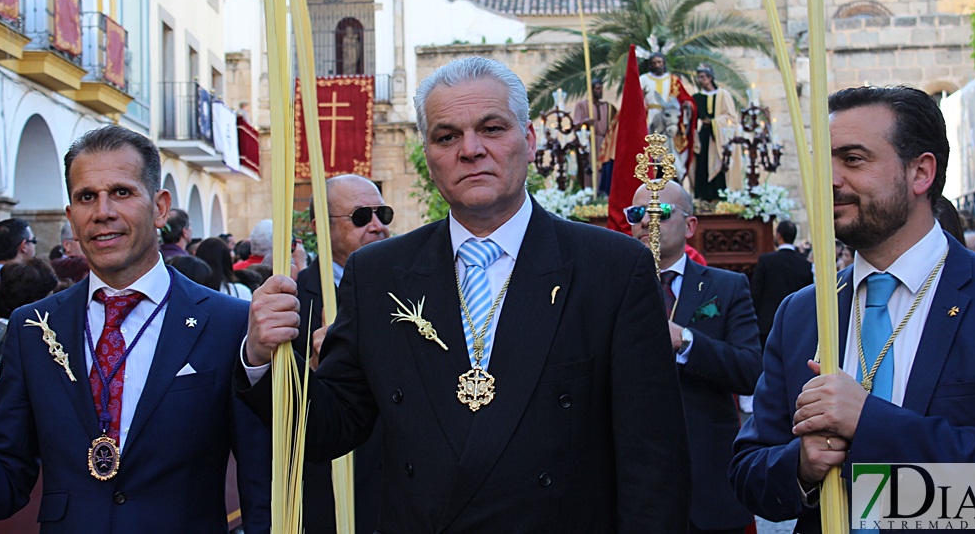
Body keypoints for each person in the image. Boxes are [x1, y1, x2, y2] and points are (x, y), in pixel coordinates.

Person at [239, 56, 690, 531]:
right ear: (429, 156)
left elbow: (653, 459)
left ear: (530, 140)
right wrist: (262, 358)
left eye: (492, 128)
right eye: (447, 136)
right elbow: (330, 427)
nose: (470, 150)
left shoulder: (613, 268)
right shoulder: (379, 273)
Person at [0, 125, 270, 531]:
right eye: (86, 197)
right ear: (71, 216)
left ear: (159, 207)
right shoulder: (34, 327)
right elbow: (4, 481)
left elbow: (263, 485)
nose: (103, 212)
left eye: (121, 192)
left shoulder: (227, 323)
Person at [730, 85, 975, 532]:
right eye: (823, 159)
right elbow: (749, 473)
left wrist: (871, 424)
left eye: (853, 159)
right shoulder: (802, 313)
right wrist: (802, 466)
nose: (829, 178)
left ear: (920, 172)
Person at [625, 180, 761, 534]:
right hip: (635, 481)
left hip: (708, 477)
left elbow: (749, 370)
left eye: (660, 212)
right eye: (637, 213)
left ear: (690, 225)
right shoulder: (615, 288)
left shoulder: (726, 287)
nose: (646, 222)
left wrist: (687, 341)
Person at [297, 174, 391, 534]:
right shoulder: (291, 300)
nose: (377, 226)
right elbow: (274, 406)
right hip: (329, 490)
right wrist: (315, 370)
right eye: (360, 216)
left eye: (382, 213)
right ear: (321, 227)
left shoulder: (409, 285)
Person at [750, 220, 815, 348]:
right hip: (796, 322)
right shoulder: (804, 265)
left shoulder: (766, 261)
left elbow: (756, 291)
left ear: (778, 236)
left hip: (767, 323)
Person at [639, 52, 697, 176]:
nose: (657, 65)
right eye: (654, 63)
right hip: (650, 116)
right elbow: (635, 98)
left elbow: (684, 98)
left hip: (670, 118)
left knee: (668, 149)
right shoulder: (643, 79)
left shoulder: (673, 80)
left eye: (659, 62)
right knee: (650, 148)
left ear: (664, 63)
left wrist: (687, 106)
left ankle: (670, 176)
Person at [692, 65, 741, 201]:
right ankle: (704, 198)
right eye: (699, 77)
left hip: (719, 137)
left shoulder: (723, 95)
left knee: (720, 165)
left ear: (710, 78)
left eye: (703, 77)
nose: (700, 80)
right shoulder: (696, 97)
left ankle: (719, 197)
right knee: (702, 166)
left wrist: (714, 122)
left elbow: (731, 117)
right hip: (704, 136)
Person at [571, 79, 618, 195]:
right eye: (597, 88)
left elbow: (616, 125)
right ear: (591, 90)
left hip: (605, 144)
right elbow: (575, 125)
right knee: (590, 170)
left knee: (604, 170)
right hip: (588, 142)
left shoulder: (609, 107)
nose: (600, 91)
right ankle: (589, 194)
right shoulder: (582, 106)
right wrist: (585, 122)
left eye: (601, 88)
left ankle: (603, 194)